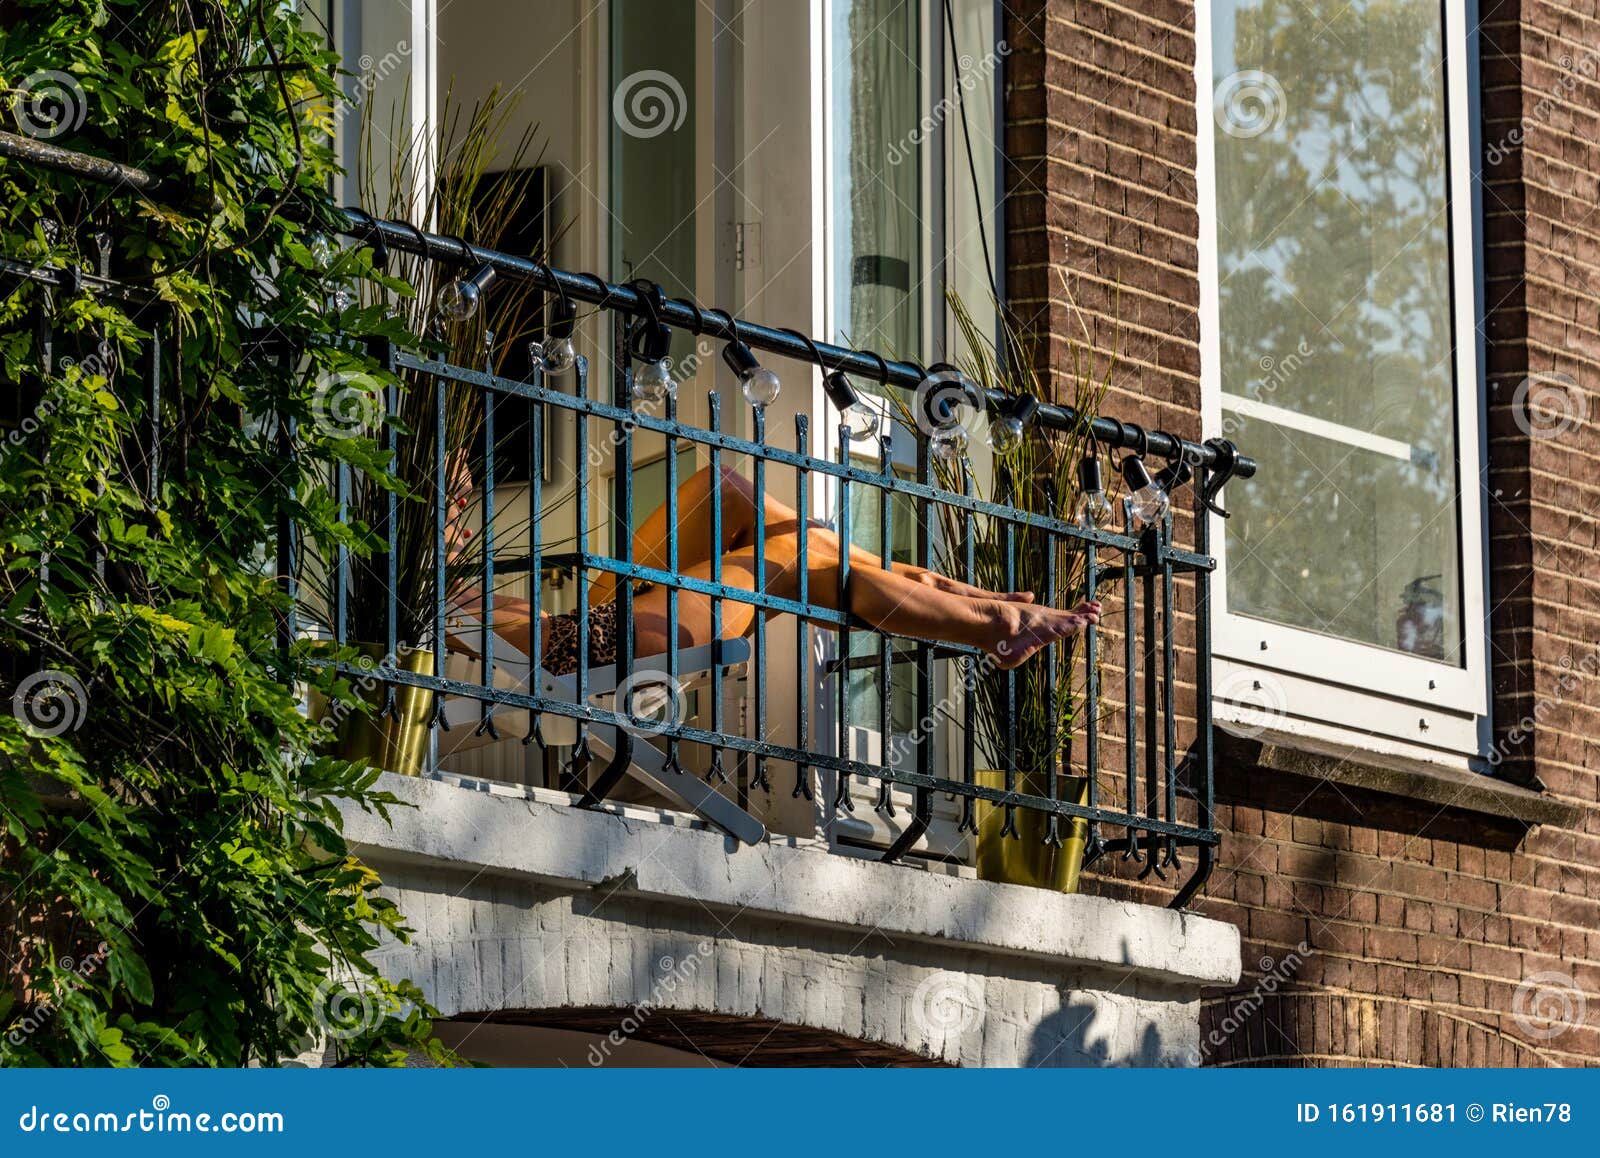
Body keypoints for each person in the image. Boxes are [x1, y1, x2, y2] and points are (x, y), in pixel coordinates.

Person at [452, 463, 1100, 675]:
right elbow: (549, 645)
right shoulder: (441, 604)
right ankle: (984, 620)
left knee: (724, 489)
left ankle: (968, 601)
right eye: (455, 503)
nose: (466, 506)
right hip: (614, 643)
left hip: (603, 622)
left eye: (463, 496)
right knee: (792, 556)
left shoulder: (461, 598)